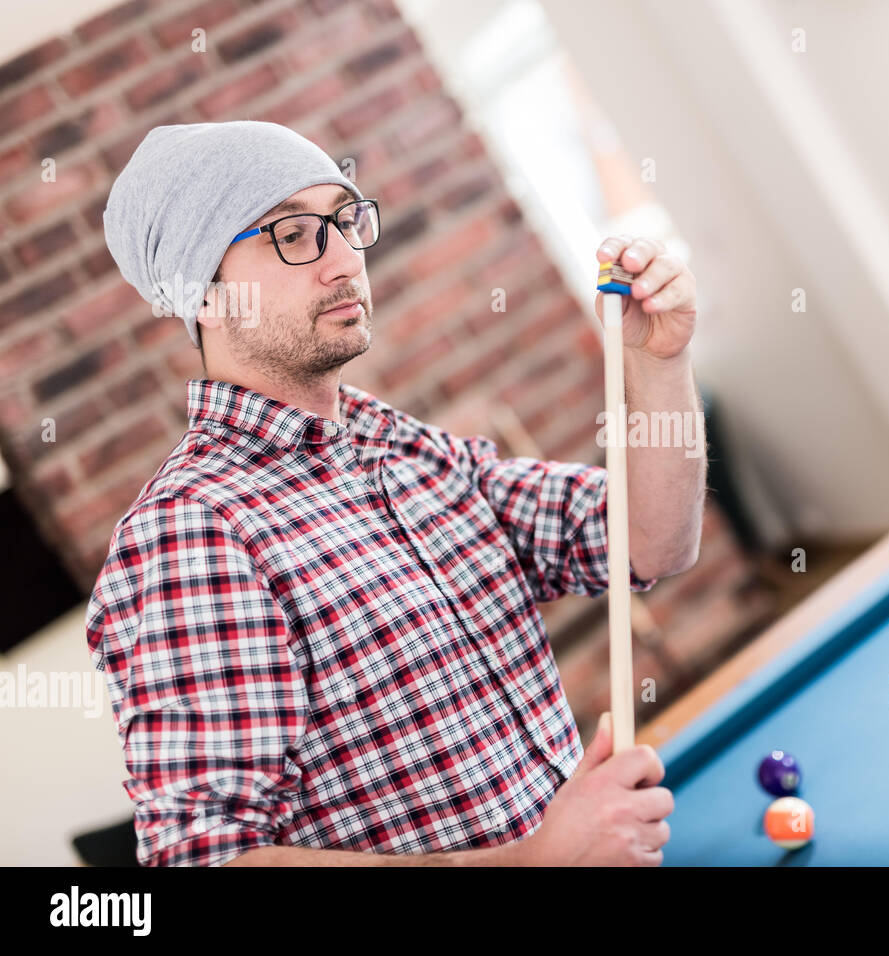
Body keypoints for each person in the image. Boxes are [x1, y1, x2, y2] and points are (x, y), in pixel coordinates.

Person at [87, 121, 705, 866]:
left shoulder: (400, 447)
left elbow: (649, 540)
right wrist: (527, 863)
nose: (345, 260)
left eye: (345, 222)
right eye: (292, 234)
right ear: (202, 294)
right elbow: (206, 858)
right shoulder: (193, 531)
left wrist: (657, 364)